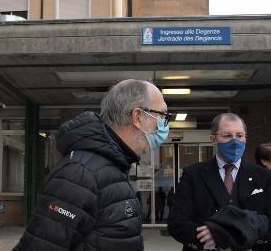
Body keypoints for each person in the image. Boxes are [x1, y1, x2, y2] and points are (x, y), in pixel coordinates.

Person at [13, 79, 170, 251]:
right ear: (138, 117)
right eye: (162, 116)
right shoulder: (80, 174)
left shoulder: (114, 164)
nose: (164, 124)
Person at [168, 112, 271, 251]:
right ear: (213, 139)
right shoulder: (193, 174)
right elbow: (177, 221)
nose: (235, 141)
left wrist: (243, 235)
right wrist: (207, 238)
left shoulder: (265, 176)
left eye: (239, 135)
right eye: (227, 135)